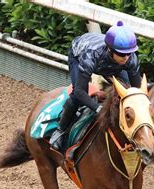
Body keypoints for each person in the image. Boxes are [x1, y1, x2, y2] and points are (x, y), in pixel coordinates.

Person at [49, 21, 141, 150]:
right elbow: (80, 92)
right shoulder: (91, 55)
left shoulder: (130, 59)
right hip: (78, 55)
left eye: (129, 53)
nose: (126, 57)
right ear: (110, 49)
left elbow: (136, 91)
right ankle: (60, 131)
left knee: (128, 93)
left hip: (111, 65)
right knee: (76, 97)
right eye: (121, 53)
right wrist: (97, 108)